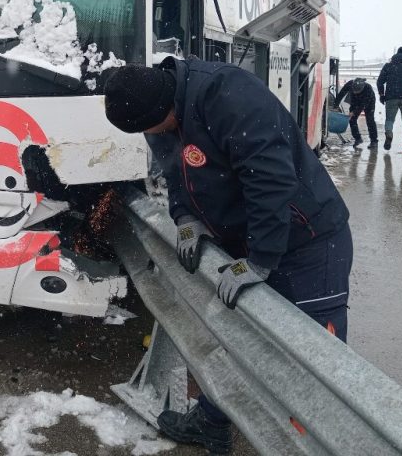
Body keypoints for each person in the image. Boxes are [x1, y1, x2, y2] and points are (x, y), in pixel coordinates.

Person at [104, 58, 352, 455]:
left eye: (150, 127)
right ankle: (213, 421)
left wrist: (261, 259)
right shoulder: (160, 110)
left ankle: (318, 444)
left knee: (312, 358)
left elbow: (270, 180)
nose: (151, 135)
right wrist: (185, 218)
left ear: (164, 108)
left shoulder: (228, 97)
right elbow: (175, 172)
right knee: (242, 337)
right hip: (250, 238)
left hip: (309, 241)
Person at [377, 46, 402, 150]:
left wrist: (381, 94)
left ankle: (389, 134)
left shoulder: (388, 65)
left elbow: (380, 81)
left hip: (391, 97)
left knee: (389, 120)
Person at [334, 77, 378, 149]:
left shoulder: (368, 88)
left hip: (369, 102)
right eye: (354, 91)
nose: (355, 92)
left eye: (357, 91)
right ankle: (358, 139)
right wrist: (336, 105)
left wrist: (354, 112)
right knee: (352, 120)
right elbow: (341, 93)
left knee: (370, 121)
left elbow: (364, 104)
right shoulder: (350, 84)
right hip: (355, 101)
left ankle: (374, 141)